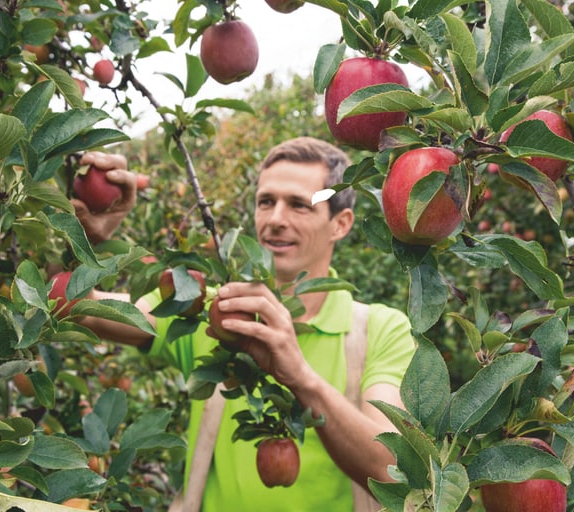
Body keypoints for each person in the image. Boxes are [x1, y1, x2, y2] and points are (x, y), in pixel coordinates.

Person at [73, 137, 416, 511]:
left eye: (299, 204)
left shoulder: (379, 330)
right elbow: (76, 310)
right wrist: (89, 238)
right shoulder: (210, 309)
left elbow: (392, 468)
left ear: (340, 224)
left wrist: (300, 377)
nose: (275, 219)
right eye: (266, 202)